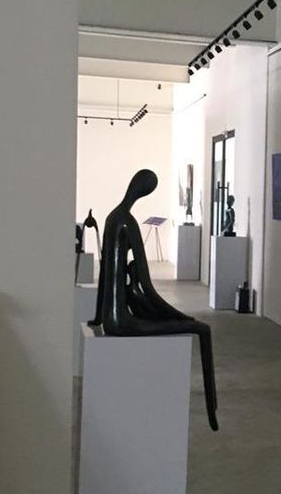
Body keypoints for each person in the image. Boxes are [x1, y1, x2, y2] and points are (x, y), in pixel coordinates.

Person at [90, 169, 219, 431]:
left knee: (190, 325)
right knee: (202, 329)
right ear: (145, 192)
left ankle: (213, 410)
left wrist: (98, 317)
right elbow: (147, 289)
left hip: (110, 318)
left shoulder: (112, 217)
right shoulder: (129, 223)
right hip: (123, 321)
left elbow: (104, 273)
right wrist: (182, 318)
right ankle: (212, 411)